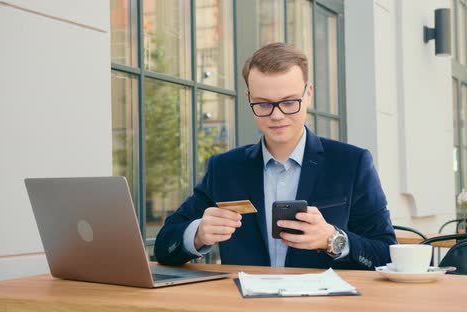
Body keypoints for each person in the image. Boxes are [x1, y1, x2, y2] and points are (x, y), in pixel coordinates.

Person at [154, 42, 396, 269]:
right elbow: (164, 246)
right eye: (263, 104)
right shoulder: (225, 168)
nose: (277, 116)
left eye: (289, 102)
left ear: (308, 93)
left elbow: (386, 252)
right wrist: (198, 234)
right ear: (249, 98)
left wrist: (332, 239)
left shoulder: (351, 164)